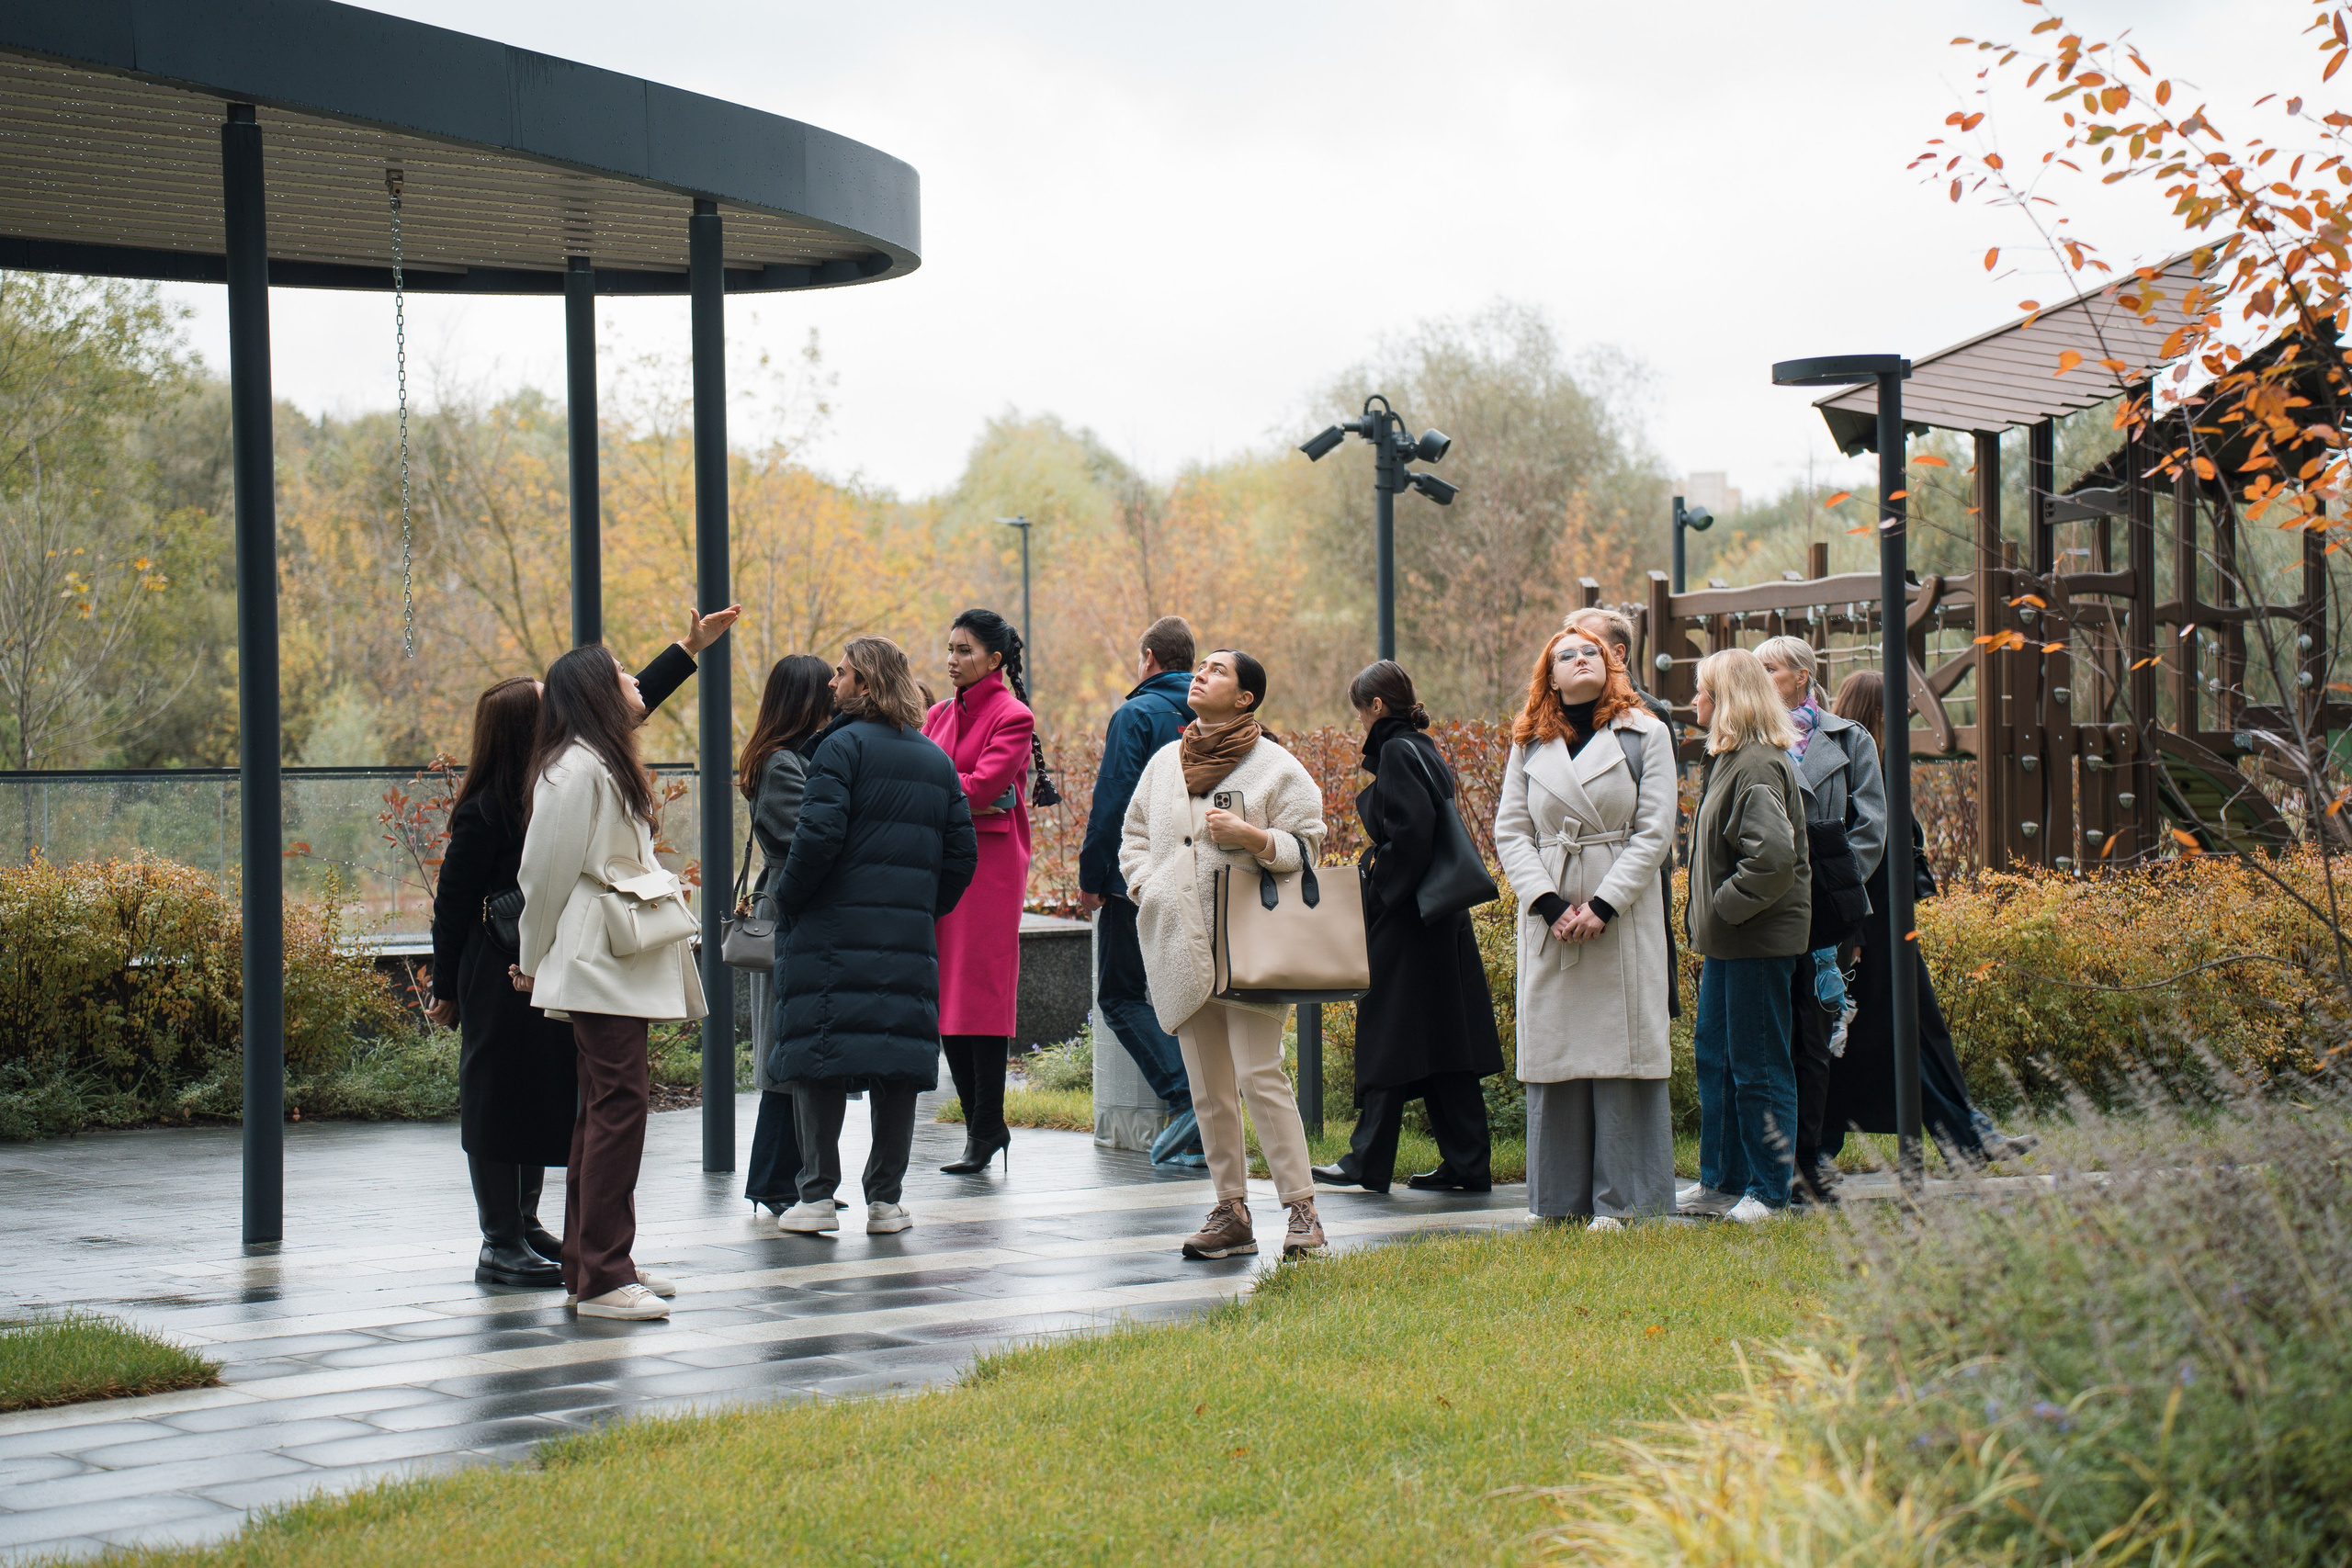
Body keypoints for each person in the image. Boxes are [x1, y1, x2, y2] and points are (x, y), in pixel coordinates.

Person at [426, 606, 738, 1288]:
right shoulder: (511, 799)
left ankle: (537, 1226)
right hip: (503, 960)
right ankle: (500, 1235)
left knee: (551, 1093)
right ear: (521, 727)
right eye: (543, 701)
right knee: (499, 1094)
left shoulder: (567, 765)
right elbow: (455, 901)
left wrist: (688, 648)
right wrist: (446, 986)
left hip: (543, 955)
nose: (558, 702)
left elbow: (620, 700)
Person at [514, 644, 707, 1320]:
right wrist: (533, 957)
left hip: (608, 958)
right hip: (598, 959)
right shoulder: (577, 770)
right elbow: (542, 877)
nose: (634, 681)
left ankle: (593, 1261)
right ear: (598, 691)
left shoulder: (591, 762)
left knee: (605, 1103)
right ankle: (601, 1273)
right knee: (618, 1102)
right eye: (622, 672)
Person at [1119, 649, 1329, 1259]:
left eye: (1217, 670)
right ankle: (1231, 1210)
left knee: (1262, 1076)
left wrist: (1255, 838)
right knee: (1209, 1087)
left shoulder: (1276, 766)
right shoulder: (1165, 763)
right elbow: (1134, 834)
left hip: (1251, 946)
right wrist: (1145, 886)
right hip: (1181, 942)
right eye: (1201, 666)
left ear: (1244, 698)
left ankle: (1302, 1209)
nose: (1201, 674)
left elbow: (1309, 845)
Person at [768, 636, 978, 1236]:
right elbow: (962, 855)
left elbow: (816, 841)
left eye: (841, 674)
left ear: (864, 683)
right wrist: (919, 907)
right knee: (897, 1065)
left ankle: (816, 1197)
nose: (831, 684)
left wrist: (788, 901)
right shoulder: (935, 759)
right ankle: (885, 1200)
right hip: (906, 938)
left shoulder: (839, 749)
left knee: (818, 1063)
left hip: (830, 936)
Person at [1492, 629, 1679, 1225]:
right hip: (1551, 915)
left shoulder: (1646, 734)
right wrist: (1547, 904)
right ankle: (1559, 1201)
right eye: (1566, 654)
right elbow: (1511, 832)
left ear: (1612, 663)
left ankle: (1624, 1202)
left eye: (1591, 651)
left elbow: (1655, 832)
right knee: (1558, 1051)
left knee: (1620, 1052)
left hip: (1619, 914)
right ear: (1549, 675)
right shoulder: (1529, 743)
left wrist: (1603, 904)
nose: (1580, 659)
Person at [1821, 669, 2039, 1166]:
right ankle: (1964, 1138)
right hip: (1867, 929)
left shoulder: (1872, 765)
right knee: (1866, 1038)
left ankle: (1966, 1136)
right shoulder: (1856, 768)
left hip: (1882, 927)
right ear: (1877, 712)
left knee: (1899, 1036)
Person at [1311, 661, 1502, 1195]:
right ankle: (1468, 1164)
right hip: (1439, 919)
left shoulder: (1397, 751)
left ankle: (1367, 1161)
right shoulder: (1425, 746)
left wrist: (1376, 888)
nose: (1357, 724)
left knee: (1388, 1032)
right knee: (1444, 1039)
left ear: (1375, 707)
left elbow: (1411, 835)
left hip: (1410, 917)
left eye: (1358, 711)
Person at [1675, 648, 1812, 1224]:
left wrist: (1722, 908)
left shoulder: (1755, 764)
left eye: (1703, 690)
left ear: (1727, 699)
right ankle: (1723, 1181)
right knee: (1718, 1058)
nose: (1695, 702)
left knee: (1757, 1066)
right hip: (1733, 941)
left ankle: (1769, 1192)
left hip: (1754, 940)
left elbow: (1773, 860)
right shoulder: (1734, 759)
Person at [1753, 635, 1886, 1201]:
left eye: (1772, 670)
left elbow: (1871, 826)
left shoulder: (1849, 740)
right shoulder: (1752, 740)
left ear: (1803, 676)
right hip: (1765, 910)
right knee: (1767, 1038)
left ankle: (1808, 1165)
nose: (1762, 679)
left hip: (1825, 917)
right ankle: (1764, 1163)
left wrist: (1825, 889)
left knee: (1815, 1039)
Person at [1076, 615, 1201, 1166]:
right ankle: (1204, 1123)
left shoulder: (1136, 714)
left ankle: (1187, 1097)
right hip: (1206, 877)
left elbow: (1114, 802)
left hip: (1140, 880)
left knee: (1120, 995)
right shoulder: (1212, 714)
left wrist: (1092, 877)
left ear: (1148, 657)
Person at [923, 609, 1043, 1176]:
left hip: (990, 868)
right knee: (946, 991)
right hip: (943, 860)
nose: (952, 659)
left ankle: (985, 1125)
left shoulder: (1013, 715)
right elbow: (955, 787)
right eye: (949, 649)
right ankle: (984, 1128)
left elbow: (987, 785)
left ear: (995, 660)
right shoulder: (938, 713)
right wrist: (962, 793)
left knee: (982, 993)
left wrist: (954, 791)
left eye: (964, 650)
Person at [737, 653, 837, 1220]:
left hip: (795, 909)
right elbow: (806, 839)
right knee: (785, 1048)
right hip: (788, 911)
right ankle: (775, 1181)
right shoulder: (781, 764)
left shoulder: (792, 757)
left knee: (797, 1045)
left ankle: (797, 1179)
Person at [1567, 607, 1685, 1020]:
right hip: (1568, 879)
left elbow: (1654, 820)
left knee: (1639, 991)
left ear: (1618, 654)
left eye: (1590, 645)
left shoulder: (1649, 717)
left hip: (1631, 872)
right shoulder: (1554, 714)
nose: (1576, 654)